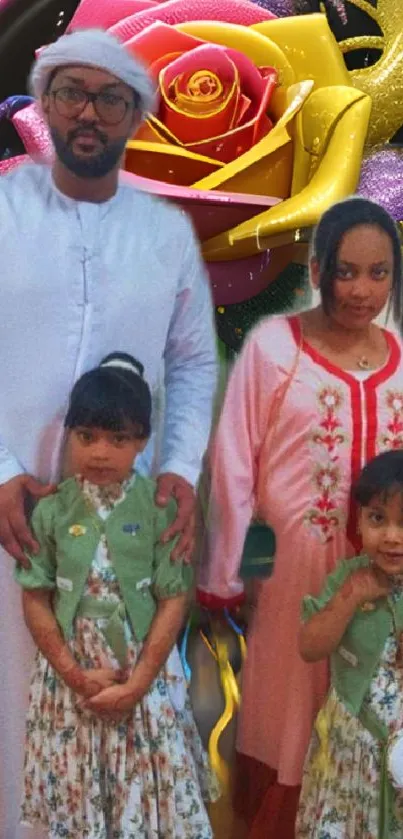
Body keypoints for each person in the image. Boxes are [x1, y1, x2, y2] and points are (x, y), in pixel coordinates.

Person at [0, 28, 217, 838]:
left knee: (136, 701)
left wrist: (183, 467)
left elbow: (193, 362)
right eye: (70, 93)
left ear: (136, 116)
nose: (87, 113)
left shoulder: (163, 232)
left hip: (132, 523)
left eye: (109, 98)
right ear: (45, 103)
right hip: (13, 512)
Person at [197, 196, 403, 839]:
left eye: (379, 273)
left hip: (387, 577)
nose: (362, 290)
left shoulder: (402, 356)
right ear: (315, 270)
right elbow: (235, 468)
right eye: (345, 271)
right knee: (289, 713)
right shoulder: (271, 349)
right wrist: (236, 577)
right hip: (295, 578)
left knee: (373, 711)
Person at [15, 351, 219, 837]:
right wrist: (75, 675)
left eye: (118, 438)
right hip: (73, 677)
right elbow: (35, 596)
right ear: (70, 435)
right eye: (87, 437)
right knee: (84, 797)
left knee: (150, 801)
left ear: (142, 441)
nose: (100, 452)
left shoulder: (158, 509)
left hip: (143, 674)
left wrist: (137, 684)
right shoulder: (52, 510)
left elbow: (174, 597)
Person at [297, 449, 403, 839]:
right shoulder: (348, 579)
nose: (392, 537)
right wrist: (348, 599)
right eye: (378, 519)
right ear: (359, 520)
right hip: (351, 745)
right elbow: (310, 647)